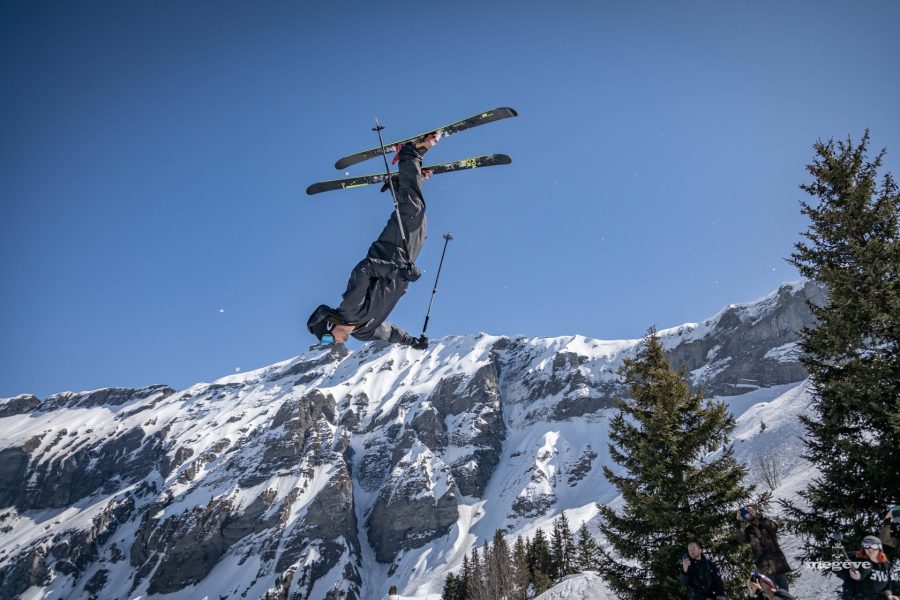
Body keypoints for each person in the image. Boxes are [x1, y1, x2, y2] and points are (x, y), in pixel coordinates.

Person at [307, 132, 440, 348]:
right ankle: (401, 182)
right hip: (404, 261)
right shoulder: (364, 332)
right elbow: (389, 333)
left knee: (413, 210)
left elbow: (365, 269)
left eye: (326, 339)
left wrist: (398, 272)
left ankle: (410, 154)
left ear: (329, 326)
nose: (332, 343)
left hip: (391, 249)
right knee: (420, 223)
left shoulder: (349, 308)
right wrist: (412, 342)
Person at [736, 506, 792, 591]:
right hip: (764, 567)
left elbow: (774, 526)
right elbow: (741, 538)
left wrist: (759, 517)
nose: (753, 521)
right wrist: (739, 523)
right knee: (771, 593)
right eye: (751, 520)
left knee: (784, 592)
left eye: (754, 519)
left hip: (778, 564)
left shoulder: (765, 526)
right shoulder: (749, 531)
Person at [835, 535, 899, 600]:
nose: (870, 549)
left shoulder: (885, 564)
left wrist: (889, 596)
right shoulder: (856, 559)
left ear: (879, 548)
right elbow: (837, 568)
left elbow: (888, 584)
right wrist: (852, 574)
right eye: (866, 545)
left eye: (874, 546)